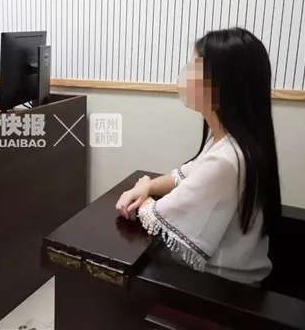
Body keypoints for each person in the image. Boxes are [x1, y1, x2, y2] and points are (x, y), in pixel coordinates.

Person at [115, 27, 282, 285]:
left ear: (222, 84)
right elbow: (184, 175)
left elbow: (156, 217)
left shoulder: (228, 160)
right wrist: (147, 186)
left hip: (221, 288)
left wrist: (142, 194)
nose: (186, 76)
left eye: (194, 68)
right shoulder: (227, 140)